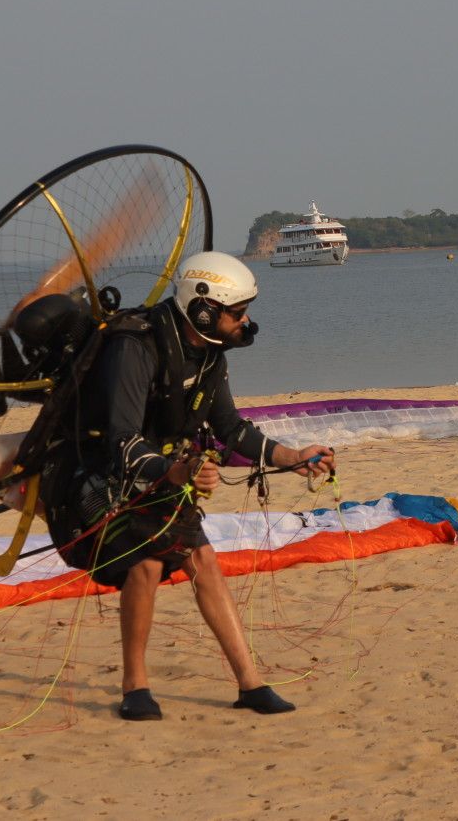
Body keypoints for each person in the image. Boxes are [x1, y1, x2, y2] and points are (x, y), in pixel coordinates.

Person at [40, 251, 334, 721]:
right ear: (203, 308)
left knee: (203, 559)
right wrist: (175, 472)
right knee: (148, 562)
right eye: (237, 312)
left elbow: (231, 430)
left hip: (159, 475)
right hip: (93, 481)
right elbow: (120, 439)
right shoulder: (135, 347)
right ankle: (134, 686)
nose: (245, 320)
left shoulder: (208, 355)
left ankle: (250, 684)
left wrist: (291, 456)